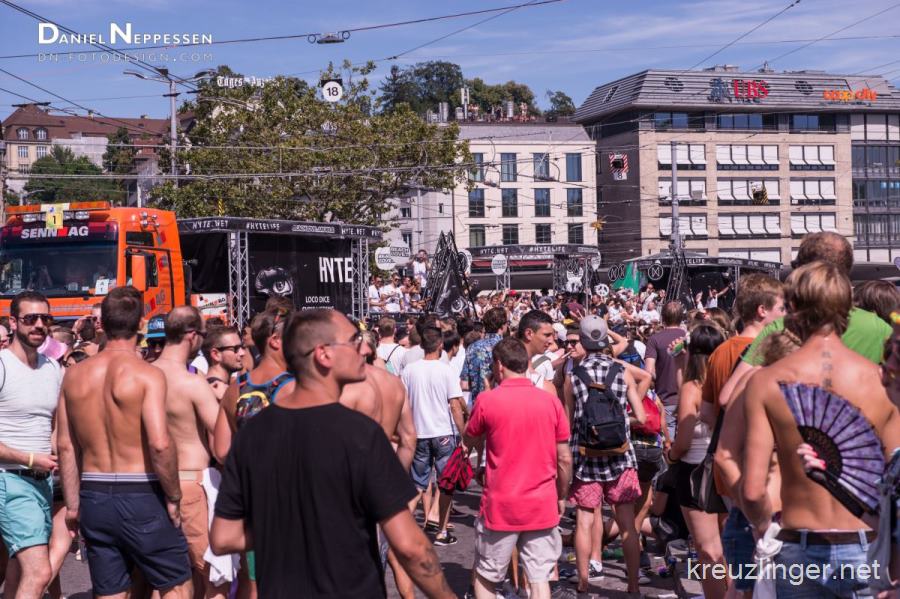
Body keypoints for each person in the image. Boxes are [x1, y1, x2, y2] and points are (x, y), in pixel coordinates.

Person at [210, 309, 455, 599]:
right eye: (353, 341)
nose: (364, 349)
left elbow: (224, 536)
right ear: (324, 354)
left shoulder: (251, 434)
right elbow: (411, 547)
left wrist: (287, 528)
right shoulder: (359, 434)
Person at [742, 262, 900, 598]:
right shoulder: (880, 381)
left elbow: (753, 491)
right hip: (867, 546)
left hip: (798, 545)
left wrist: (764, 528)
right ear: (848, 308)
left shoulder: (765, 382)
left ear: (793, 307)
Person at [56, 287, 192, 598]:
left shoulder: (73, 376)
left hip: (94, 493)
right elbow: (160, 443)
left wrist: (73, 505)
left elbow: (66, 446)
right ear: (141, 323)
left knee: (111, 591)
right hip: (141, 491)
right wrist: (173, 496)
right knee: (176, 584)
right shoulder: (147, 375)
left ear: (102, 323)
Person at [463, 337, 572, 599]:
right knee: (539, 578)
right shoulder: (550, 401)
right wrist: (561, 495)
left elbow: (469, 438)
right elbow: (564, 458)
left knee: (487, 577)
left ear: (499, 365)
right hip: (541, 502)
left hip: (501, 505)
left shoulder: (488, 400)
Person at [563, 315, 647, 595]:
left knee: (584, 520)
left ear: (583, 342)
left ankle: (583, 581)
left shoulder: (574, 376)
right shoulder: (622, 372)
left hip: (586, 458)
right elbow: (641, 416)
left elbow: (569, 422)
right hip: (621, 458)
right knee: (627, 524)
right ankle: (633, 585)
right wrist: (620, 422)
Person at [153, 306, 229, 599]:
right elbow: (222, 441)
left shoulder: (144, 375)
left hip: (151, 484)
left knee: (168, 580)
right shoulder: (192, 382)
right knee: (215, 578)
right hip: (190, 484)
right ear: (192, 335)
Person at [340, 335, 418, 599]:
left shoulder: (348, 387)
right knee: (393, 552)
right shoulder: (393, 383)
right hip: (386, 470)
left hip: (354, 482)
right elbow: (409, 438)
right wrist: (397, 477)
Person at [0, 292, 63, 599]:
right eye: (30, 318)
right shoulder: (2, 366)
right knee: (39, 572)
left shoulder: (52, 368)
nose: (39, 325)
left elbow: (53, 426)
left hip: (43, 482)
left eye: (45, 318)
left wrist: (57, 455)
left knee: (16, 573)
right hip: (9, 479)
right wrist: (30, 458)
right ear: (13, 323)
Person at [665, 324, 727, 599]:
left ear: (691, 351)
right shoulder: (728, 380)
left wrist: (671, 456)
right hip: (726, 468)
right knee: (728, 547)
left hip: (695, 472)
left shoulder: (694, 387)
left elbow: (683, 441)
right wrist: (680, 365)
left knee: (708, 550)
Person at [402, 327, 467, 547]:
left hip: (419, 432)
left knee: (417, 484)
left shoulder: (409, 370)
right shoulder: (445, 370)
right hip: (443, 433)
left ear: (422, 345)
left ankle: (403, 531)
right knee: (446, 484)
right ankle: (441, 531)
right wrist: (463, 435)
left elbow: (404, 403)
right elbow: (455, 405)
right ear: (440, 345)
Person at [644, 301, 687, 436]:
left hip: (665, 399)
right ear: (681, 318)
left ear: (663, 317)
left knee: (668, 442)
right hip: (689, 398)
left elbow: (648, 372)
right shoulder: (689, 338)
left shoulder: (655, 339)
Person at [460, 307, 508, 407]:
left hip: (478, 405)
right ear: (503, 325)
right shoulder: (507, 347)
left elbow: (464, 384)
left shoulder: (472, 347)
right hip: (501, 405)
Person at [203, 325, 246, 401]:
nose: (242, 353)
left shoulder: (210, 387)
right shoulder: (214, 391)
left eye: (241, 347)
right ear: (216, 354)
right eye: (235, 349)